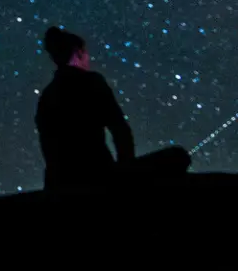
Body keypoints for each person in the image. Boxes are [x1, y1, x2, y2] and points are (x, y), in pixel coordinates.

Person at [35, 26, 191, 190]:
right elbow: (120, 130)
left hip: (60, 182)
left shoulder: (47, 96)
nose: (89, 59)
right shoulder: (91, 82)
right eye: (86, 53)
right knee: (178, 156)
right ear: (79, 53)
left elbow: (49, 149)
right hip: (98, 176)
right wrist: (126, 172)